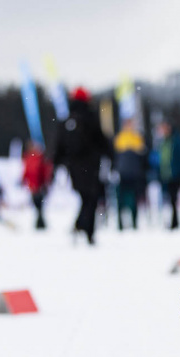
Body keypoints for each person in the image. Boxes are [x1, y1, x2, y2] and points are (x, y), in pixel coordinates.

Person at [52, 87, 112, 244]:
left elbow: (59, 145)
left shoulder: (66, 120)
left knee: (85, 197)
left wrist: (57, 162)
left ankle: (81, 226)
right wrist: (111, 155)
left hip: (73, 166)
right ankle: (86, 229)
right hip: (90, 165)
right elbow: (101, 140)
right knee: (91, 198)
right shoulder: (90, 117)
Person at [112, 120, 148, 230]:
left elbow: (143, 154)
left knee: (132, 200)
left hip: (133, 174)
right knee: (121, 200)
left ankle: (133, 222)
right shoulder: (120, 137)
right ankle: (121, 223)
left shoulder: (136, 137)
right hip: (123, 174)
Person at [156, 121, 180, 230]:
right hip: (166, 176)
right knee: (169, 200)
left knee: (173, 199)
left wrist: (178, 172)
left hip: (174, 176)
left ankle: (174, 222)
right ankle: (173, 221)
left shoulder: (175, 141)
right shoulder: (164, 142)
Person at [22, 141, 53, 229]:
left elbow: (43, 171)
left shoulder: (39, 158)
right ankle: (40, 222)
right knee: (37, 205)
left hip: (38, 186)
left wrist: (44, 183)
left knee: (39, 204)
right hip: (33, 186)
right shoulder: (29, 158)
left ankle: (40, 223)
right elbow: (27, 172)